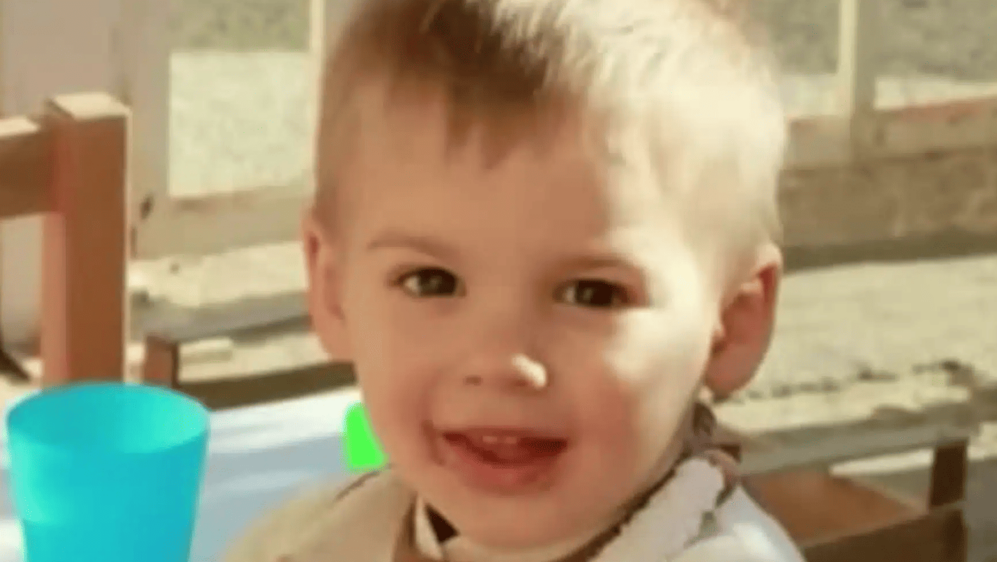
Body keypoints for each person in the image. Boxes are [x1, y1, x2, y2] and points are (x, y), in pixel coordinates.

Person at [225, 0, 804, 560]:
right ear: (333, 289)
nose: (501, 361)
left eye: (591, 294)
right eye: (431, 281)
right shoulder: (300, 545)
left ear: (732, 321)